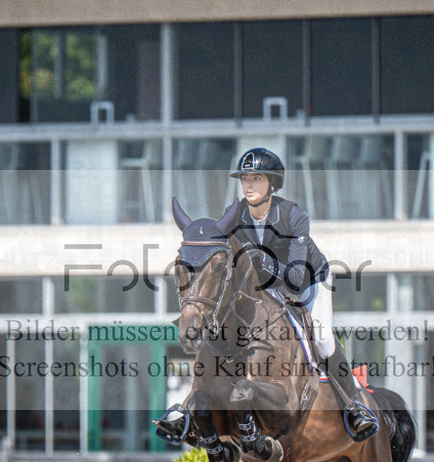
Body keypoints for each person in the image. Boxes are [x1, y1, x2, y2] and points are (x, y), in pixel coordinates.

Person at [156, 147, 379, 443]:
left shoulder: (294, 217)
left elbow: (297, 279)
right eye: (245, 179)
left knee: (323, 337)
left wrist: (263, 260)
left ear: (272, 183)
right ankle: (188, 408)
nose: (248, 185)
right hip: (263, 289)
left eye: (256, 179)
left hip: (309, 282)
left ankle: (354, 406)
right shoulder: (233, 219)